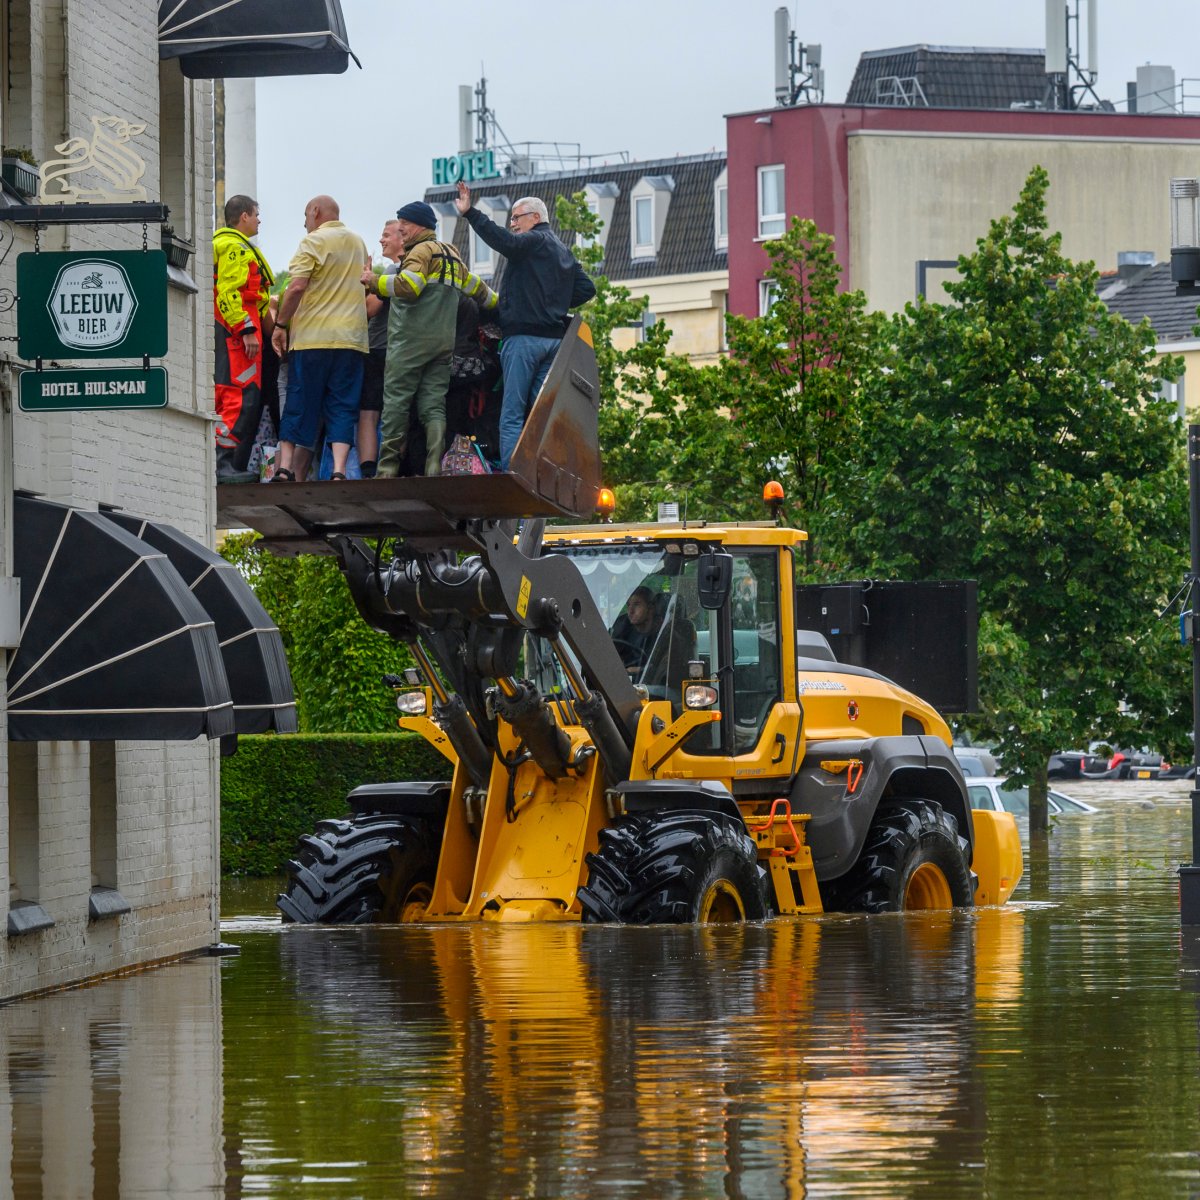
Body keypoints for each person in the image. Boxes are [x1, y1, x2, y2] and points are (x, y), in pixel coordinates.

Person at [454, 181, 597, 469]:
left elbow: (505, 242)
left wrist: (471, 213)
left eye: (516, 218)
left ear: (535, 217)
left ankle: (513, 474)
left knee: (513, 413)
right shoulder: (563, 251)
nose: (512, 224)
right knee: (541, 413)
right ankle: (548, 469)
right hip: (554, 344)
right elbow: (587, 288)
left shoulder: (534, 241)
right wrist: (552, 302)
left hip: (523, 341)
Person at [363, 200, 497, 478]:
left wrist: (373, 281)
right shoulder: (452, 253)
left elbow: (409, 286)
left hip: (410, 343)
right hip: (442, 345)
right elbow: (478, 289)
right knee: (433, 405)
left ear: (419, 225)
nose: (401, 229)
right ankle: (434, 465)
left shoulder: (420, 251)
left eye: (404, 224)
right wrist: (500, 304)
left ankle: (386, 470)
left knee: (396, 403)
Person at [270, 195, 369, 482]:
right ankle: (339, 470)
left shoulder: (312, 241)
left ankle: (285, 468)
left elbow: (297, 286)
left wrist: (280, 324)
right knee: (343, 405)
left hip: (313, 338)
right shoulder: (358, 243)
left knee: (299, 401)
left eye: (305, 216)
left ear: (315, 211)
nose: (305, 223)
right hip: (351, 340)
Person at [213, 194, 273, 482]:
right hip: (236, 336)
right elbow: (229, 292)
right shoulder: (235, 248)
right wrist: (246, 330)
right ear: (244, 216)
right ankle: (221, 464)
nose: (259, 220)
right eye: (256, 214)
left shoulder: (226, 245)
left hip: (231, 331)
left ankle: (224, 463)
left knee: (231, 396)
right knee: (239, 396)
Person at [360, 218, 404, 478]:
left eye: (387, 235)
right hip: (402, 351)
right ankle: (396, 467)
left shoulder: (391, 271)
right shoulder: (415, 270)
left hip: (379, 349)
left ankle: (368, 470)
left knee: (369, 411)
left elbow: (370, 309)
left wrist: (365, 284)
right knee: (398, 410)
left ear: (402, 238)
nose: (381, 239)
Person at [611, 586, 661, 678]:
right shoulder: (622, 628)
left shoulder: (664, 633)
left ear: (650, 608)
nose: (630, 611)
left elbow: (663, 668)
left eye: (636, 604)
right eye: (628, 605)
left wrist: (640, 670)